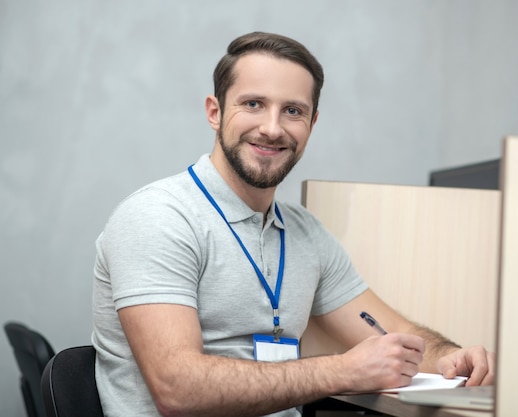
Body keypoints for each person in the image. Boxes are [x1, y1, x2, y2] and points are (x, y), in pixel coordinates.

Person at [92, 31, 495, 417]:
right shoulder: (159, 217)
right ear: (215, 112)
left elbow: (391, 332)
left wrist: (450, 357)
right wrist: (342, 371)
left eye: (292, 111)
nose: (272, 127)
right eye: (252, 104)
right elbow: (176, 389)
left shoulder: (305, 233)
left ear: (311, 125)